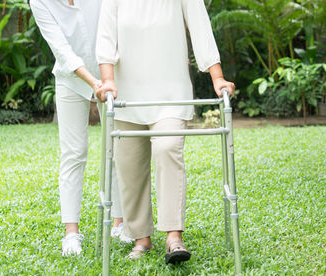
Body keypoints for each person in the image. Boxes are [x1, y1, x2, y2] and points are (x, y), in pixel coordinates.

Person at [95, 0, 235, 263]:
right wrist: (108, 80)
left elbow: (201, 27)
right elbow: (105, 39)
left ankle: (173, 236)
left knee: (167, 147)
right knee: (130, 166)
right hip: (127, 95)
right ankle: (141, 238)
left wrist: (217, 77)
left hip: (171, 94)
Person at [29, 0, 133, 256]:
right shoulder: (39, 2)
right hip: (70, 78)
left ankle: (118, 223)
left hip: (112, 73)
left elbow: (114, 25)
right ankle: (71, 233)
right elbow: (62, 50)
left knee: (118, 147)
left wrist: (105, 79)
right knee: (73, 153)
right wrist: (93, 82)